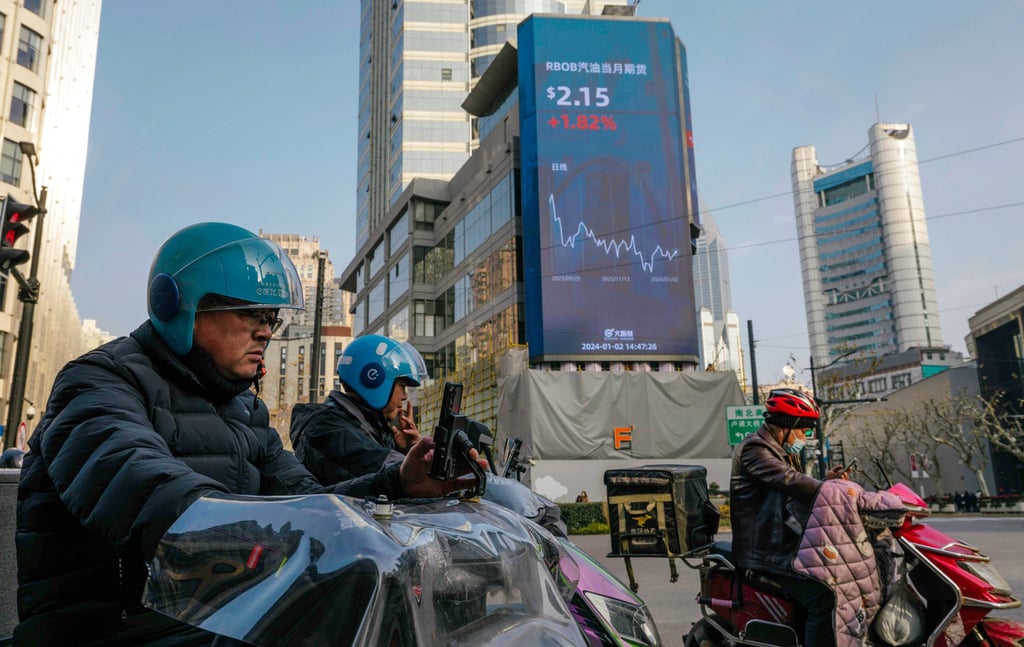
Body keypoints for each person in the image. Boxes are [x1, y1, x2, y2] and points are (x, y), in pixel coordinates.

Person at [15, 223, 481, 646]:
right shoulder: (98, 383)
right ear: (178, 304)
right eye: (251, 314)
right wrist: (267, 545)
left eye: (271, 319)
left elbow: (310, 500)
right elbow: (139, 484)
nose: (265, 332)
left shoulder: (244, 409)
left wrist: (399, 483)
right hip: (112, 630)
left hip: (221, 619)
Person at [730, 388, 847, 647]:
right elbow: (789, 480)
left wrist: (826, 482)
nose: (805, 436)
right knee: (825, 597)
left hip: (783, 545)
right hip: (765, 551)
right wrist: (833, 490)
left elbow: (795, 485)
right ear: (788, 425)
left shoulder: (779, 450)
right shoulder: (755, 449)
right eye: (803, 430)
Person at [290, 334, 424, 484]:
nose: (405, 396)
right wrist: (419, 462)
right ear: (373, 378)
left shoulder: (368, 427)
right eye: (402, 386)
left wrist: (408, 449)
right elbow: (380, 471)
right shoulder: (328, 429)